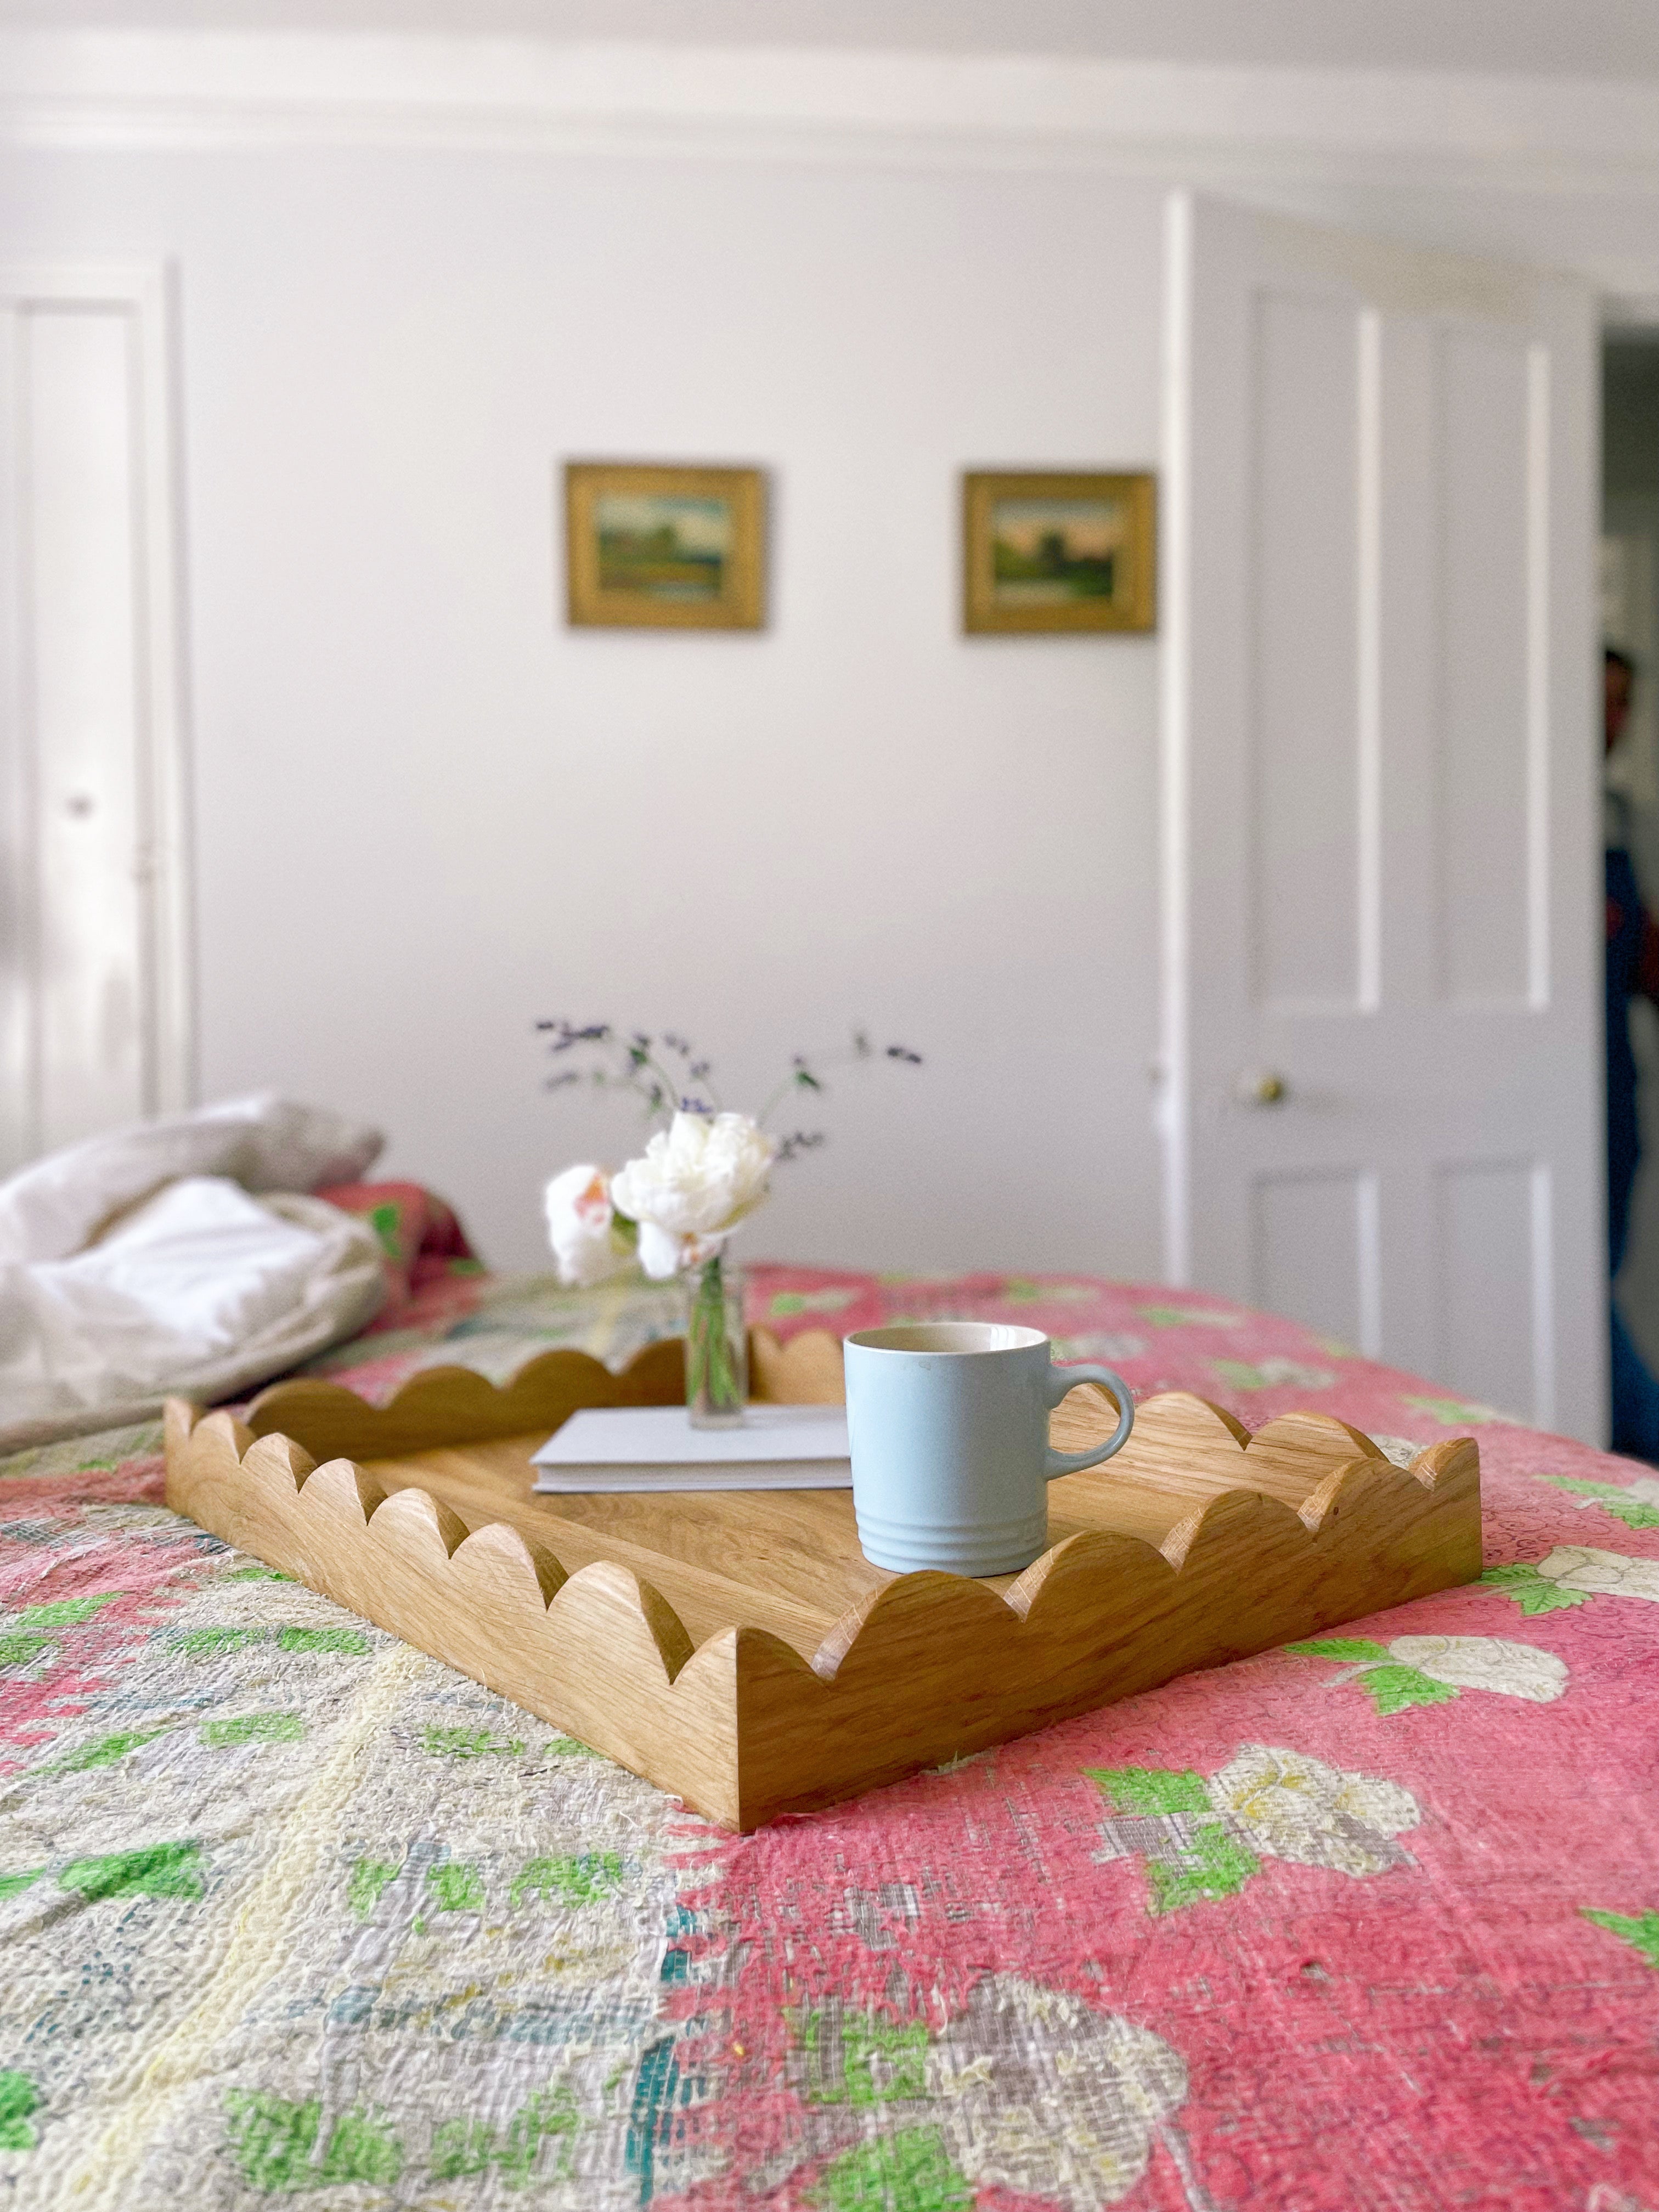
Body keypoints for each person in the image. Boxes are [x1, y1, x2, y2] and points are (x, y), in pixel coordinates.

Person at [1603, 646, 1659, 1458]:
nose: (1608, 721)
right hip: (1540, 1091)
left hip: (1615, 1087)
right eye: (1594, 698)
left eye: (1623, 703)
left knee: (1597, 1273)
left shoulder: (1626, 818)